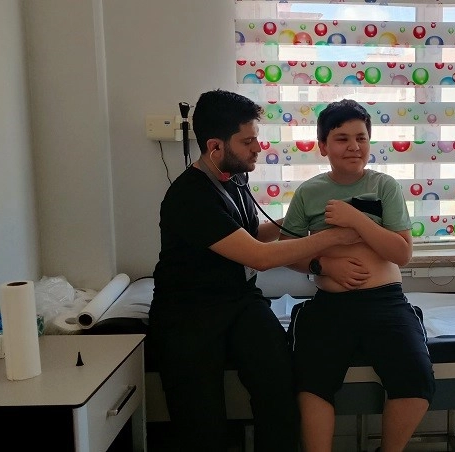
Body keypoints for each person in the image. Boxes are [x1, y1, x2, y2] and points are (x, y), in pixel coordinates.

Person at [149, 89, 361, 451]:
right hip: (190, 314)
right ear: (215, 147)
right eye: (247, 142)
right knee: (202, 426)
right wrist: (334, 236)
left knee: (280, 388)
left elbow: (251, 235)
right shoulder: (190, 198)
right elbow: (258, 256)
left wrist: (303, 214)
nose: (257, 149)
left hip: (240, 300)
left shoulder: (234, 177)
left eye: (256, 139)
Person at [280, 99, 436, 451]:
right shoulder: (309, 193)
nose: (354, 146)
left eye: (361, 138)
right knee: (311, 384)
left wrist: (357, 220)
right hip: (331, 305)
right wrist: (323, 266)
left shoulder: (384, 186)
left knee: (416, 381)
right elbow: (287, 252)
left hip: (385, 303)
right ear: (323, 146)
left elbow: (402, 254)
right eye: (342, 138)